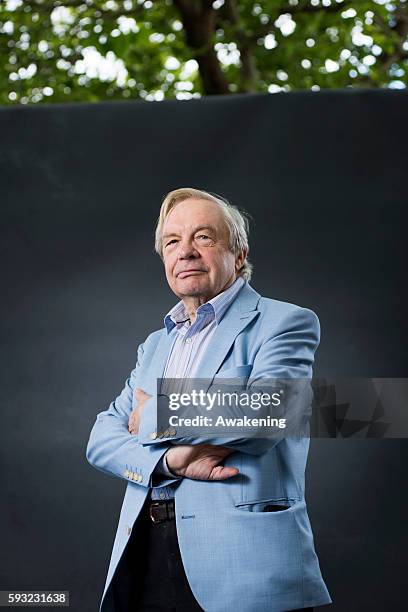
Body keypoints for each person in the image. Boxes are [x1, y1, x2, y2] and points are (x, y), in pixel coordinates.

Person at [86, 187, 332, 612]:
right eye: (172, 242)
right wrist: (167, 462)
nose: (186, 252)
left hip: (242, 562)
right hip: (145, 553)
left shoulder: (285, 322)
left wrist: (155, 411)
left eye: (203, 237)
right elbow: (101, 438)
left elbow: (269, 411)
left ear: (238, 254)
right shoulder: (154, 344)